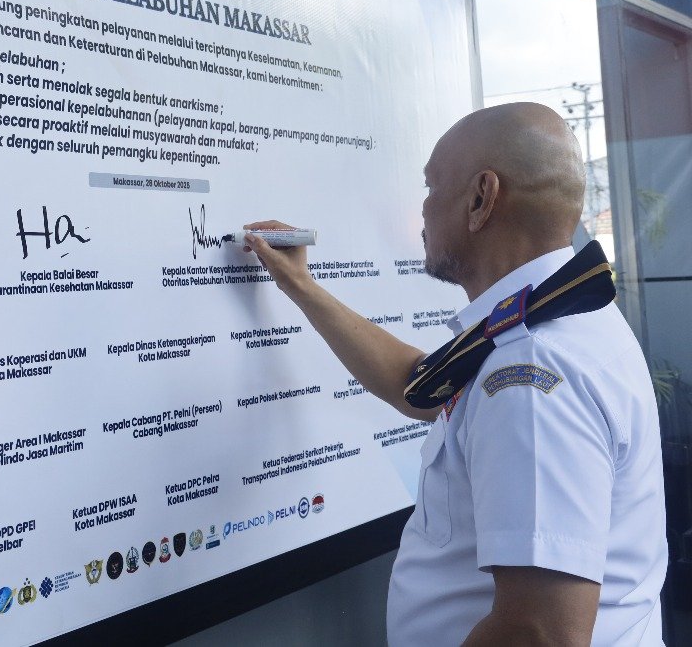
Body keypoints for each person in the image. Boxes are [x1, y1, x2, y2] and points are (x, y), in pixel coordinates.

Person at [243, 102, 666, 646]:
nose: (420, 210)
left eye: (430, 187)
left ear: (481, 198)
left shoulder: (530, 372)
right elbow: (419, 386)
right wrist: (302, 286)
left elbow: (541, 634)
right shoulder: (550, 317)